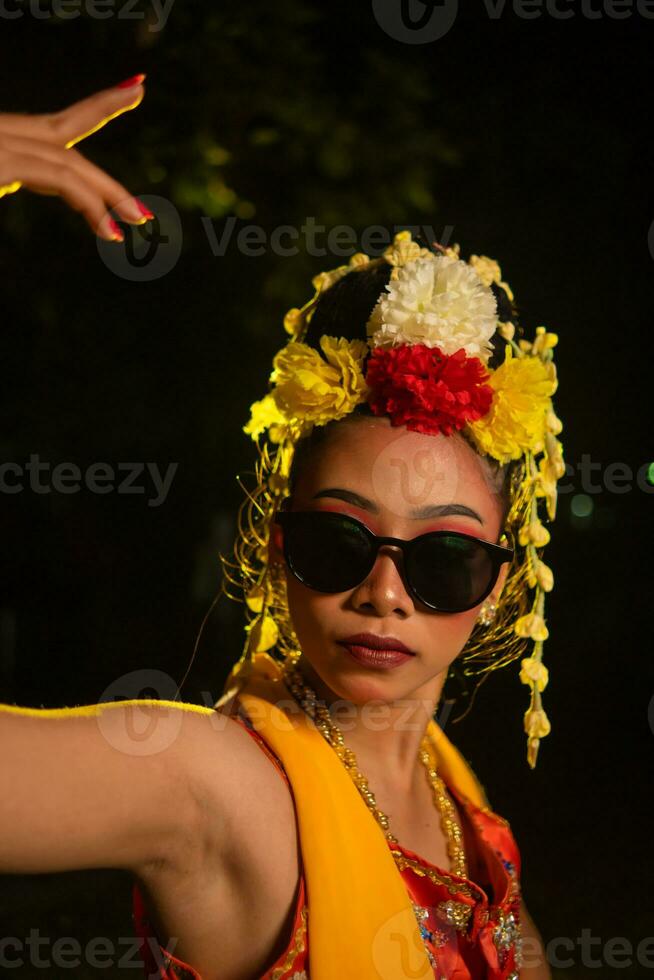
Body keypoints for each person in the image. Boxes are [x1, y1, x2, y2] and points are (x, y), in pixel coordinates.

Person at [0, 80, 562, 980]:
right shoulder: (212, 781)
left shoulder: (461, 806)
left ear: (497, 590)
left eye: (445, 561)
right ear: (275, 548)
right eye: (338, 545)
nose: (382, 594)